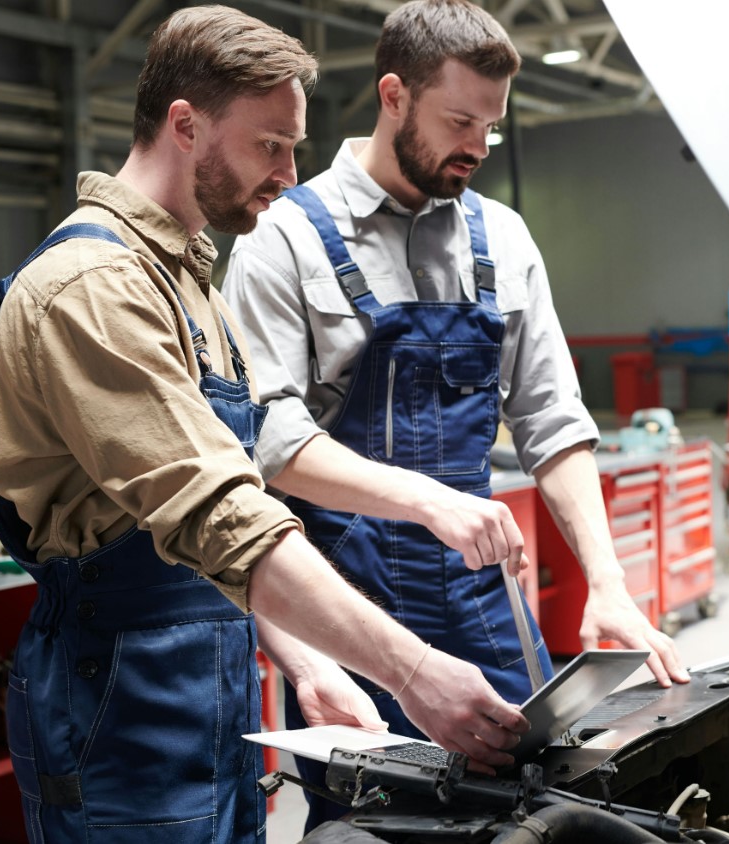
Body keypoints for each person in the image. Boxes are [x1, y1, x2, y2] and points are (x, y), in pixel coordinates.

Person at [0, 7, 528, 842]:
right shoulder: (91, 288)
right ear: (185, 125)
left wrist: (311, 667)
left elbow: (224, 529)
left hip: (212, 694)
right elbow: (216, 517)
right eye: (269, 144)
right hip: (114, 709)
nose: (288, 171)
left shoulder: (193, 285)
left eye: (295, 145)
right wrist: (412, 672)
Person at [221, 0, 689, 831]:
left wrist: (608, 585)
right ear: (393, 95)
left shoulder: (502, 238)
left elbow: (551, 416)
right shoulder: (282, 240)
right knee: (377, 825)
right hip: (349, 602)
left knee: (535, 809)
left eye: (491, 125)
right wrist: (425, 500)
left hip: (483, 600)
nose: (477, 145)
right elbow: (268, 443)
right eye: (459, 120)